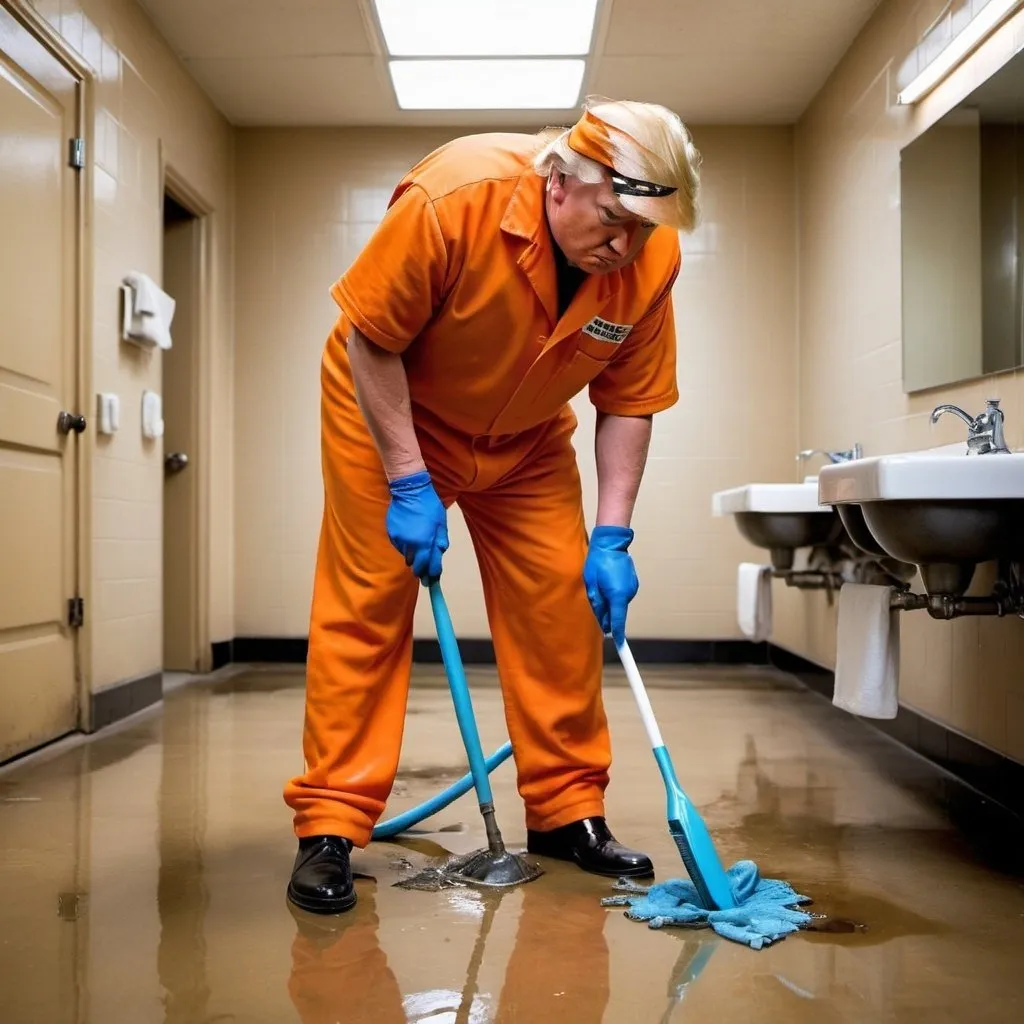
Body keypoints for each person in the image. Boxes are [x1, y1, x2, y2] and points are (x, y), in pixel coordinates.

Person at [285, 96, 702, 915]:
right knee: (367, 604)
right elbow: (371, 338)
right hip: (395, 413)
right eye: (614, 221)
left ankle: (566, 812)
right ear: (559, 183)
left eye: (645, 230)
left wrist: (614, 535)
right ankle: (330, 825)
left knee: (559, 608)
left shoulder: (649, 260)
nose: (626, 247)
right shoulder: (455, 197)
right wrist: (408, 480)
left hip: (527, 435)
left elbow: (630, 401)